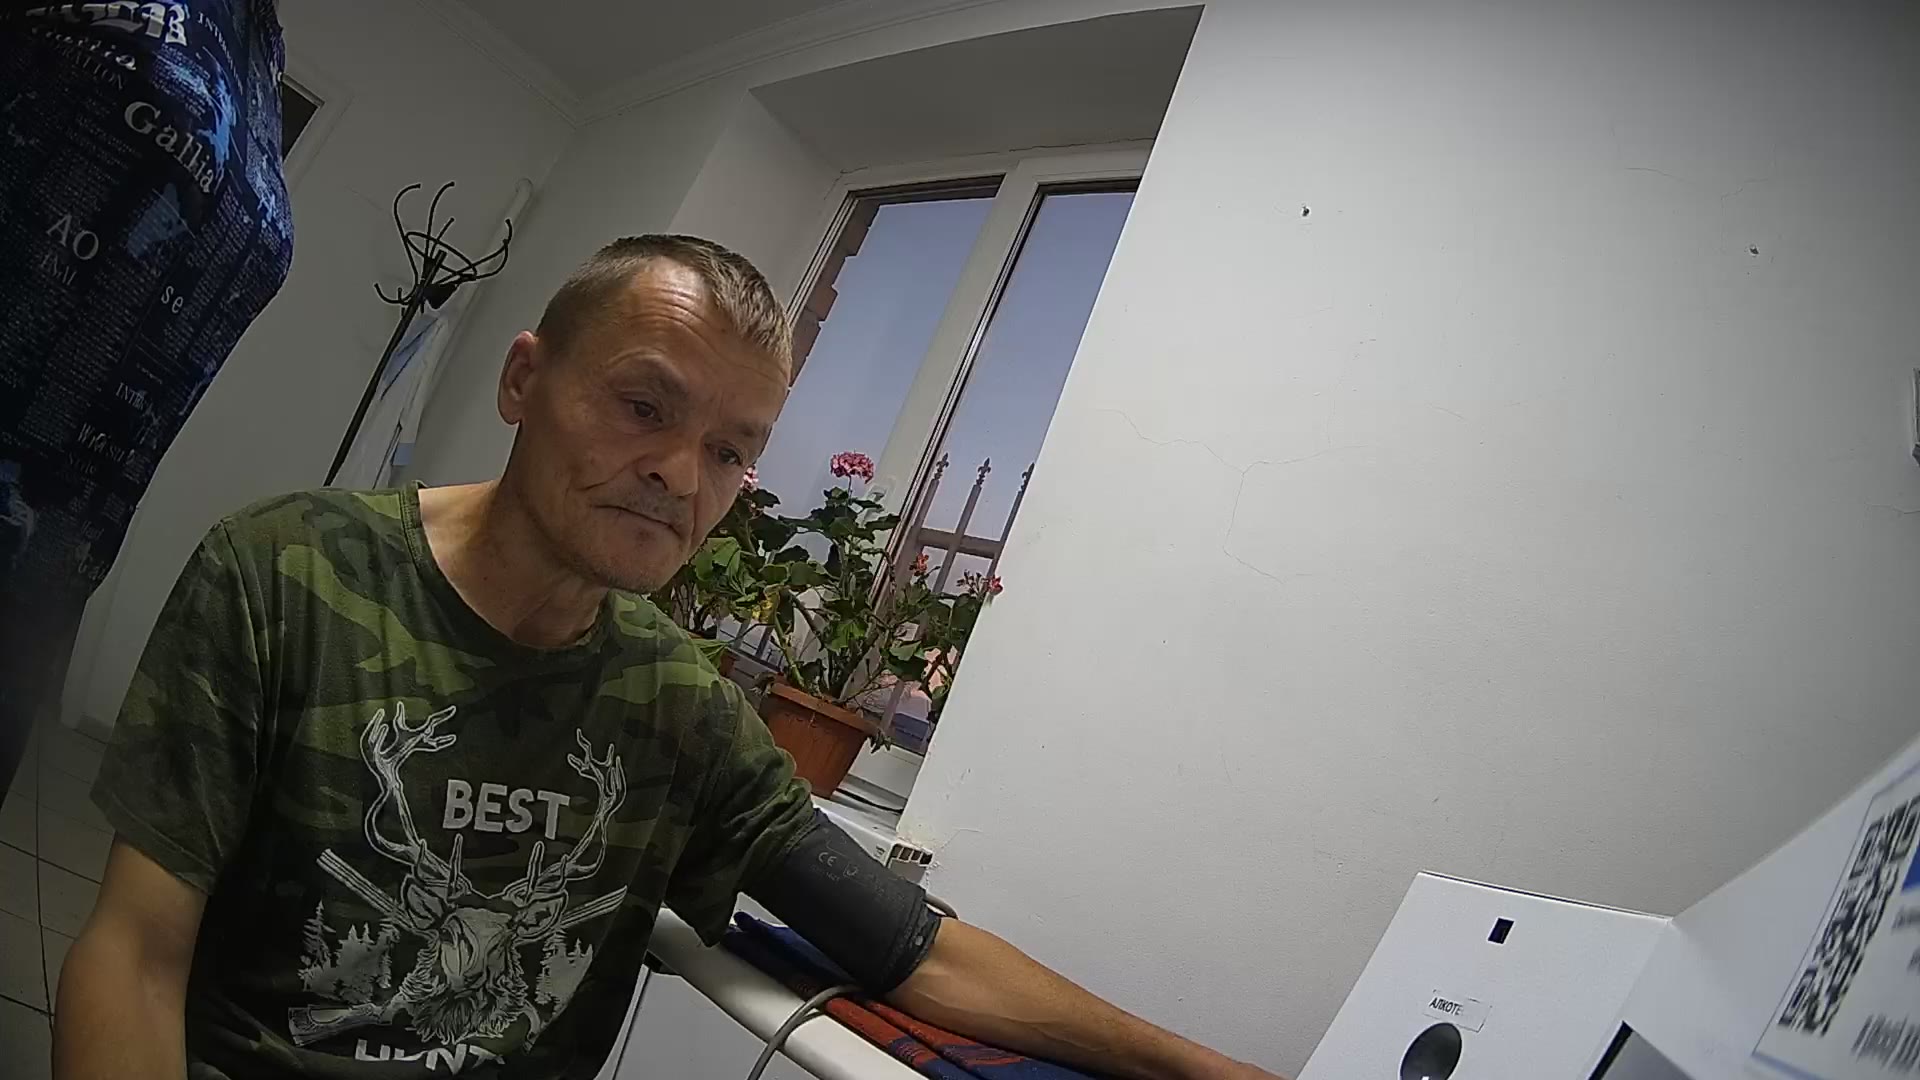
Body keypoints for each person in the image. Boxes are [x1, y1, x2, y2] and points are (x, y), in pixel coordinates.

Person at [53, 235, 1283, 1080]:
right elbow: (137, 953)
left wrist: (1193, 1065)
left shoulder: (678, 705)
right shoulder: (285, 573)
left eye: (731, 451)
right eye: (645, 408)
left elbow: (908, 945)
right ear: (525, 380)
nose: (681, 476)